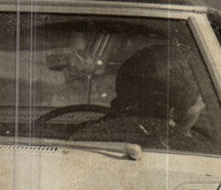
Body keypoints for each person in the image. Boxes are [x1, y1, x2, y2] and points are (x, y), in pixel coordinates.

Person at [71, 43, 209, 153]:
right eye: (199, 102)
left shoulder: (84, 134)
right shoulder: (194, 151)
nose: (203, 106)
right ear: (171, 115)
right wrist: (184, 133)